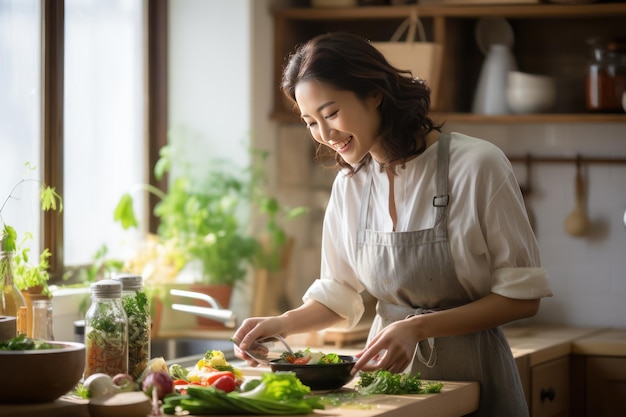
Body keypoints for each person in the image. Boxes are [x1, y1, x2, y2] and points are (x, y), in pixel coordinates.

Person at [232, 32, 553, 416]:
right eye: (310, 121)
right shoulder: (350, 185)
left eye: (331, 113)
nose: (324, 134)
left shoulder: (477, 164)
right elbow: (339, 294)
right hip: (387, 391)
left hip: (476, 380)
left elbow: (522, 298)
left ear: (374, 94)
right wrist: (281, 323)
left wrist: (418, 328)